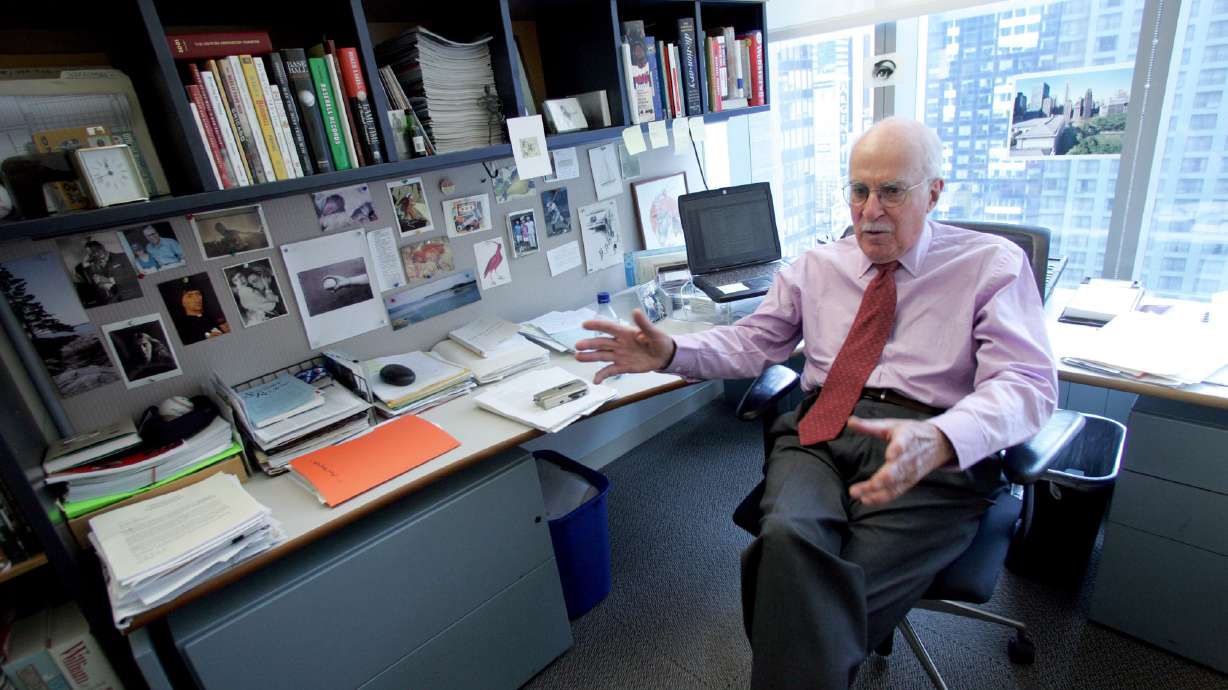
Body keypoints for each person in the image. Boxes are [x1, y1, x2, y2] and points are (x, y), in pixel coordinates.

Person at [575, 117, 1057, 689]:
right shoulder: (815, 267)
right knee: (789, 543)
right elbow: (752, 341)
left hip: (927, 445)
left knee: (795, 577)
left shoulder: (991, 265)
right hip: (820, 431)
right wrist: (672, 351)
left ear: (933, 192)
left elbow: (1027, 381)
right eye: (859, 190)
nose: (870, 210)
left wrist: (948, 437)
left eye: (891, 191)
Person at [73, 240, 140, 305]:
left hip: (131, 295)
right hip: (113, 301)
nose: (96, 254)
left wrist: (114, 280)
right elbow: (93, 284)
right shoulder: (93, 267)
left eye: (97, 250)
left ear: (102, 246)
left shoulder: (122, 256)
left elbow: (137, 275)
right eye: (92, 253)